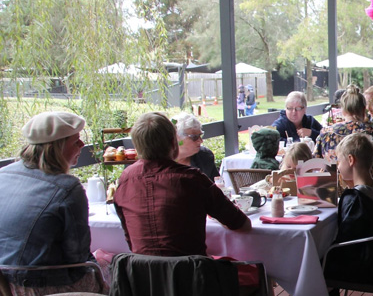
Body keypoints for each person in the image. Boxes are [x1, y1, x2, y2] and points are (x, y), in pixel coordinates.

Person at [114, 112, 251, 257]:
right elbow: (241, 224)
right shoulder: (192, 179)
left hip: (142, 275)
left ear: (137, 146)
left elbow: (130, 240)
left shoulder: (126, 179)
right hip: (191, 275)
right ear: (174, 142)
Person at [0, 112, 105, 293]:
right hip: (44, 286)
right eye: (76, 141)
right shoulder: (68, 188)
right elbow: (77, 258)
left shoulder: (3, 174)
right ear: (56, 147)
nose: (82, 145)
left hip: (3, 283)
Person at [323, 133, 373, 287]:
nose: (338, 166)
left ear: (351, 160)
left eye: (339, 161)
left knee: (315, 263)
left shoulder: (355, 197)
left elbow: (346, 243)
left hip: (370, 268)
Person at [315, 85, 373, 177]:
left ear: (343, 110)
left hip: (333, 188)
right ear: (364, 109)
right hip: (368, 189)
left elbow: (316, 163)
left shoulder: (326, 133)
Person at [173, 112, 218, 181]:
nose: (200, 141)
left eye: (200, 135)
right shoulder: (159, 160)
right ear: (177, 138)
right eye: (194, 137)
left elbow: (216, 186)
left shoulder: (205, 156)